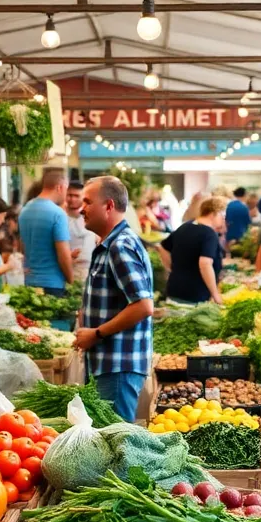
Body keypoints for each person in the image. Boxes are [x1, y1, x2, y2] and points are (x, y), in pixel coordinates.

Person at [76, 176, 154, 422]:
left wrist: (96, 333)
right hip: (108, 362)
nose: (81, 209)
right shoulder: (107, 245)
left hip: (118, 365)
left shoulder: (120, 246)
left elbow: (143, 305)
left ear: (109, 206)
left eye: (88, 202)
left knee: (116, 442)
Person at [159, 197, 226, 305]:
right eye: (222, 216)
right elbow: (205, 264)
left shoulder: (184, 227)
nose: (223, 220)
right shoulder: (209, 234)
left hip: (174, 290)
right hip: (195, 296)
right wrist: (215, 294)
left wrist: (171, 268)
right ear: (213, 214)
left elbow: (163, 247)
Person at [19, 169, 74, 295]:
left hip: (29, 282)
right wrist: (71, 280)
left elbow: (23, 247)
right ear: (60, 187)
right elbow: (63, 254)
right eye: (66, 190)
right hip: (52, 284)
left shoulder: (25, 210)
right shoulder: (58, 213)